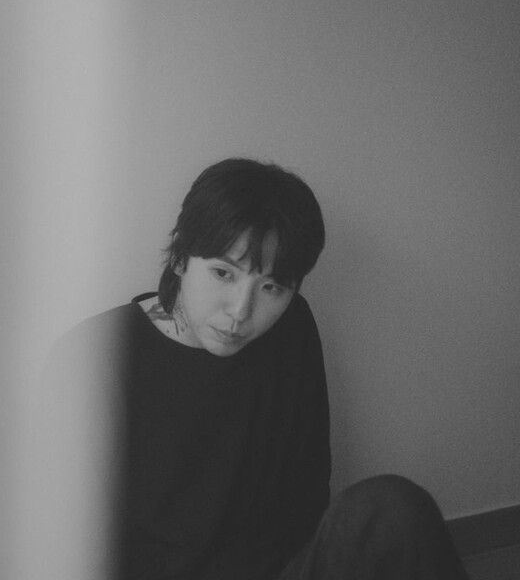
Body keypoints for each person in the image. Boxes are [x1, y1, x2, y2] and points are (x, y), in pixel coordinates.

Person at [46, 159, 469, 579]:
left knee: (393, 507)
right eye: (223, 273)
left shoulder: (291, 327)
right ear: (180, 257)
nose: (241, 311)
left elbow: (306, 491)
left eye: (271, 287)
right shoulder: (90, 360)